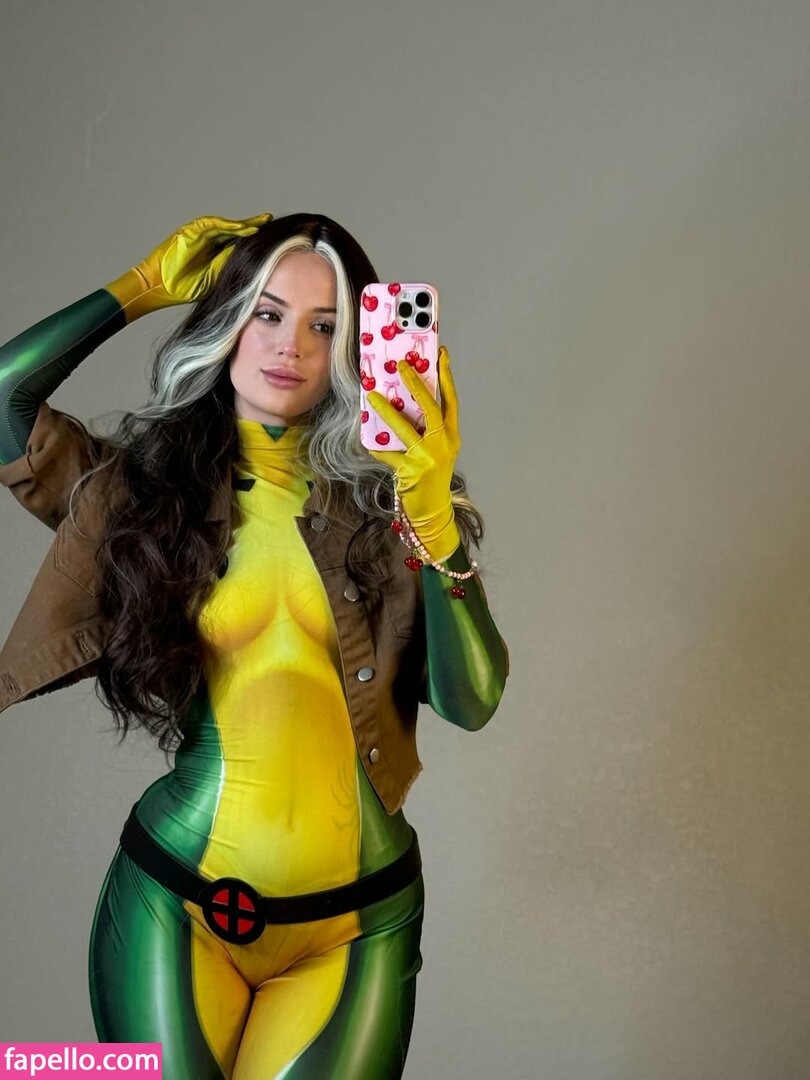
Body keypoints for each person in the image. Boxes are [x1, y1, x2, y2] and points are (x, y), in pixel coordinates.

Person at [0, 212, 509, 1079]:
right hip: (175, 907)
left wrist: (432, 523)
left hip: (357, 925)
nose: (290, 346)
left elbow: (474, 700)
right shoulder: (140, 493)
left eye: (324, 327)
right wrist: (140, 288)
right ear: (227, 320)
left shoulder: (391, 507)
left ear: (353, 351)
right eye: (267, 313)